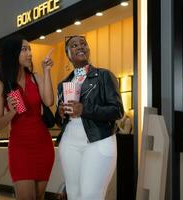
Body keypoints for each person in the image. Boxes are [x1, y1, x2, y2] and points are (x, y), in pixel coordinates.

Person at [55, 35, 124, 200]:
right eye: (74, 45)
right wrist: (61, 113)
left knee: (90, 195)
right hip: (69, 144)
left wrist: (84, 109)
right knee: (74, 195)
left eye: (83, 44)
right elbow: (59, 121)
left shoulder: (104, 76)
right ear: (68, 54)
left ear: (88, 49)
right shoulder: (63, 84)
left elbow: (117, 110)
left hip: (98, 140)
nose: (80, 47)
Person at [0, 35, 55, 200]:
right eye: (24, 49)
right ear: (12, 54)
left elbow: (49, 101)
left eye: (30, 49)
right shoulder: (1, 85)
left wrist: (47, 71)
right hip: (20, 147)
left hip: (43, 144)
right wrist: (12, 111)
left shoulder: (36, 77)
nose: (30, 53)